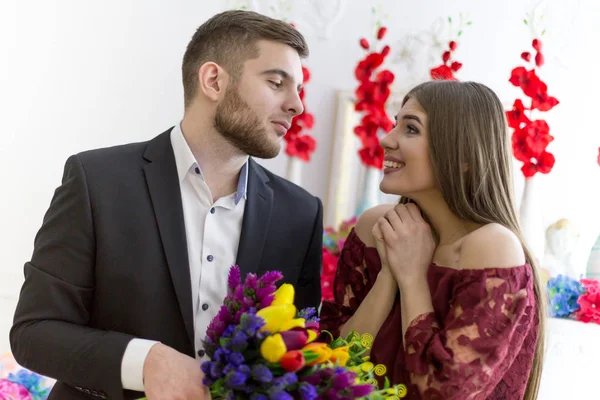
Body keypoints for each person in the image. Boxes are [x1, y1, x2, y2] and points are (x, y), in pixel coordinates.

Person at [11, 10, 323, 400]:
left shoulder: (301, 214)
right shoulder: (97, 181)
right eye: (277, 83)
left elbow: (300, 353)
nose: (297, 105)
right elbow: (34, 332)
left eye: (298, 89)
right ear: (213, 80)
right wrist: (145, 362)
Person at [320, 81, 544, 400]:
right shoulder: (375, 227)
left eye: (411, 129)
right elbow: (332, 367)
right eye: (395, 123)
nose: (386, 139)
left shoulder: (493, 247)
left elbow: (444, 392)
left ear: (464, 155)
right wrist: (389, 274)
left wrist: (412, 277)